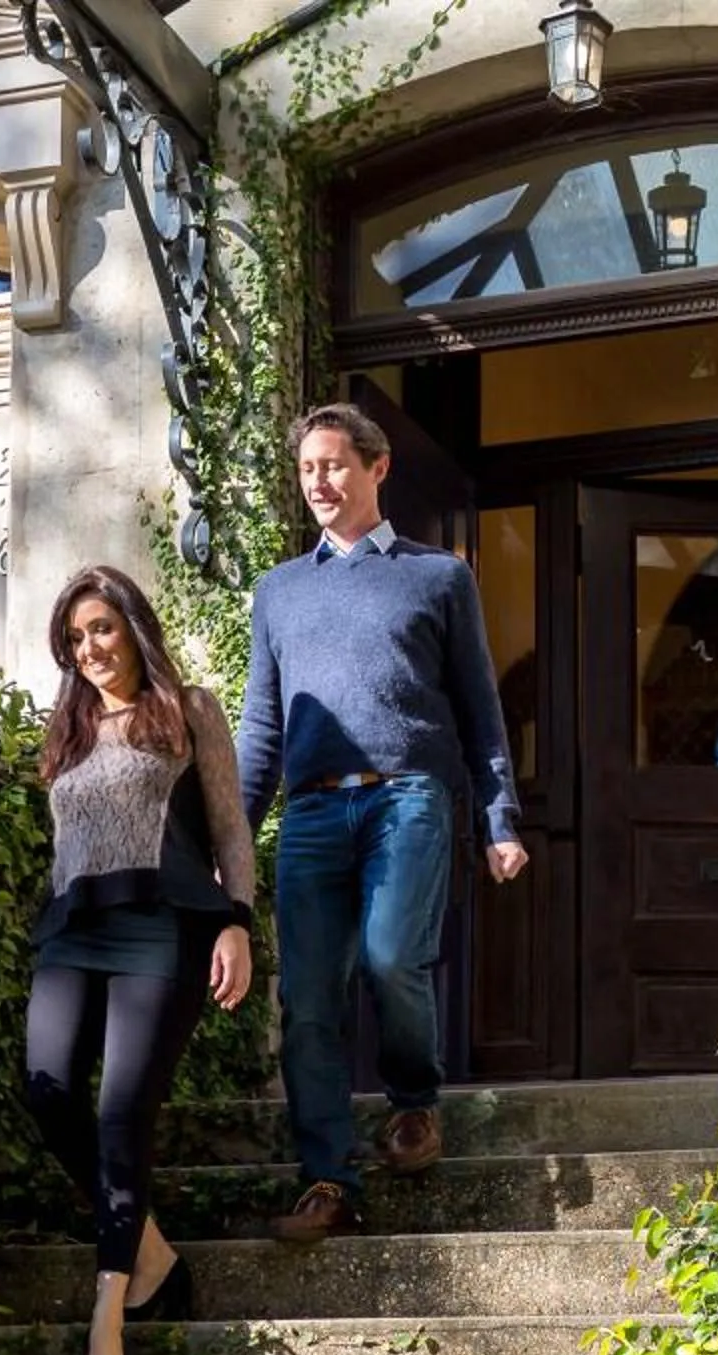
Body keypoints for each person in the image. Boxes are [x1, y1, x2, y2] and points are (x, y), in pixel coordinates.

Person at [235, 403, 527, 1243]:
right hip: (314, 809)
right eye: (307, 471)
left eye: (333, 466)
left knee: (394, 956)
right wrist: (233, 844)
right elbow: (261, 729)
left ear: (377, 467)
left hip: (410, 794)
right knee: (309, 998)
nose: (320, 484)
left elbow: (481, 711)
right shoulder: (279, 591)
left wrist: (500, 817)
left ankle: (412, 1104)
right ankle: (326, 1179)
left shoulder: (438, 578)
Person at [26, 564, 258, 1355]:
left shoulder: (189, 709)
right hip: (75, 930)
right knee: (48, 1088)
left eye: (102, 629)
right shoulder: (68, 728)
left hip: (163, 926)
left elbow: (231, 830)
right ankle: (153, 1255)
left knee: (121, 1109)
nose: (90, 648)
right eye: (76, 637)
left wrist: (237, 922)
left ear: (133, 626)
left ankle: (108, 1311)